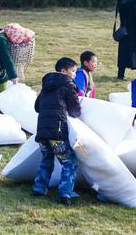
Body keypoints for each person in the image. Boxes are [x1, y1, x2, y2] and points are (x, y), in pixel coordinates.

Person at [32, 57, 81, 206]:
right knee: (69, 161)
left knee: (46, 159)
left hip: (42, 132)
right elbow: (74, 109)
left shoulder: (46, 85)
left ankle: (39, 188)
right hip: (57, 134)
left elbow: (37, 107)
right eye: (73, 71)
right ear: (63, 71)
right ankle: (64, 193)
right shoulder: (68, 85)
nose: (74, 74)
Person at [116, 0, 136, 80]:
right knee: (124, 53)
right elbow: (125, 8)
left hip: (134, 30)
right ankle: (120, 75)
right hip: (127, 31)